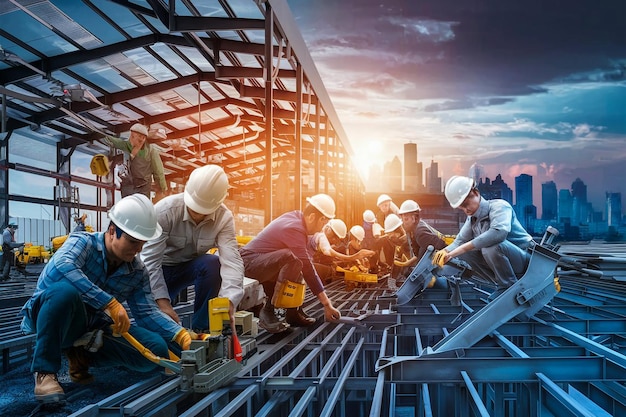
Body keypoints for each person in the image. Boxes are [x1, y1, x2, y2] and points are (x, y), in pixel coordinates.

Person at [19, 194, 191, 404]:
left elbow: (147, 312)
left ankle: (82, 353)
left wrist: (180, 334)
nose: (138, 249)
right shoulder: (83, 243)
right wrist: (108, 302)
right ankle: (44, 372)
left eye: (143, 244)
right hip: (52, 316)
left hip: (91, 328)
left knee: (155, 348)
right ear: (112, 231)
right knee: (64, 292)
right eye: (133, 241)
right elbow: (61, 269)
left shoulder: (137, 272)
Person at [141, 164, 244, 332]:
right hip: (159, 271)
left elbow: (231, 261)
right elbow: (149, 261)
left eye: (203, 210)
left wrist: (228, 301)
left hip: (188, 269)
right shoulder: (165, 211)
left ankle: (202, 330)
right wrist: (162, 302)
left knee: (213, 264)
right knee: (154, 325)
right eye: (194, 207)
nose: (197, 213)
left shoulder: (224, 218)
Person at [239, 194, 342, 333]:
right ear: (312, 217)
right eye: (323, 222)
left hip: (262, 262)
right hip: (249, 263)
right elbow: (307, 268)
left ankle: (292, 313)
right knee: (295, 259)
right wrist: (327, 304)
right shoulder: (294, 228)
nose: (322, 228)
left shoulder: (298, 219)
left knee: (298, 262)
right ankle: (270, 309)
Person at [433, 175, 533, 294]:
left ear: (475, 193)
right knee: (466, 254)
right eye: (462, 208)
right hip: (508, 265)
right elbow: (459, 242)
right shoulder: (472, 220)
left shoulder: (500, 206)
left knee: (490, 246)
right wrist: (445, 252)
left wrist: (458, 250)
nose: (466, 210)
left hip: (528, 261)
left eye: (466, 204)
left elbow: (499, 233)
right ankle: (499, 283)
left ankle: (509, 288)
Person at [105, 123, 168, 198]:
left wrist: (162, 190)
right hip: (127, 188)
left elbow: (158, 172)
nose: (131, 138)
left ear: (143, 138)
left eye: (136, 137)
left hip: (142, 190)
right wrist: (101, 136)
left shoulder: (151, 152)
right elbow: (110, 140)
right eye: (132, 136)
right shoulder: (126, 145)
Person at [310, 219, 374, 280]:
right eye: (335, 238)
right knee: (328, 271)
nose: (335, 242)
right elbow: (328, 251)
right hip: (308, 269)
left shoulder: (333, 243)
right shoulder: (320, 236)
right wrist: (353, 257)